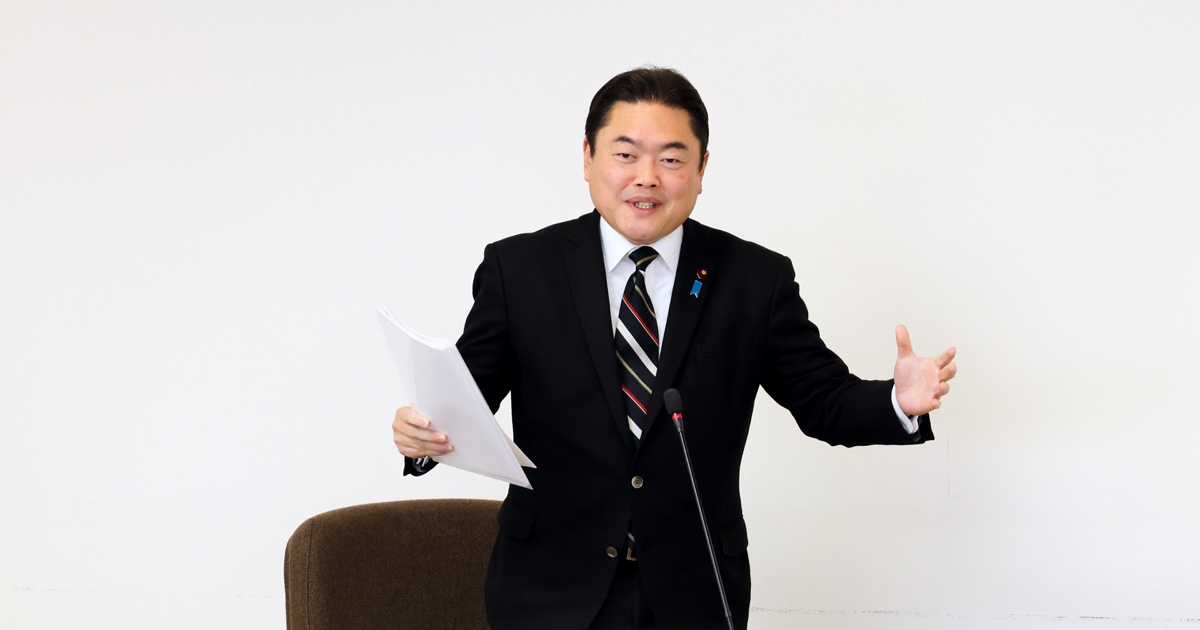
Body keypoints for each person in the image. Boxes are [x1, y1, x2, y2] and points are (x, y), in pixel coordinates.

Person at [392, 67, 956, 630]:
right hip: (548, 591)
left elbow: (823, 399)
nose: (647, 178)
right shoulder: (520, 269)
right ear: (588, 158)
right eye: (626, 155)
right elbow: (464, 398)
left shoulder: (754, 279)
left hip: (695, 591)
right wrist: (421, 437)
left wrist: (897, 402)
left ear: (702, 169)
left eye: (671, 158)